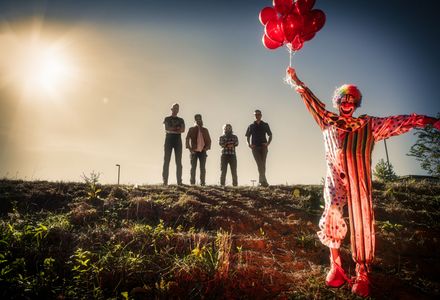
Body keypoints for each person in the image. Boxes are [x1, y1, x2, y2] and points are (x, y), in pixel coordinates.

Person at [286, 67, 440, 297]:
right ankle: (336, 267)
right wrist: (295, 80)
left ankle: (362, 273)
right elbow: (311, 100)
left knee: (362, 222)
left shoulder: (368, 125)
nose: (348, 104)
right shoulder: (327, 121)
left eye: (352, 101)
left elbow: (397, 122)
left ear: (356, 104)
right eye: (344, 99)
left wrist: (427, 120)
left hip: (358, 180)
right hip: (335, 179)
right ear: (338, 101)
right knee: (332, 214)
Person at [245, 109, 272, 187]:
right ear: (254, 116)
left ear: (261, 115)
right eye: (256, 115)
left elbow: (270, 135)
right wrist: (249, 145)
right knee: (259, 163)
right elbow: (247, 137)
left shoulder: (265, 125)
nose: (257, 116)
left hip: (264, 147)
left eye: (259, 114)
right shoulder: (251, 126)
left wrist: (268, 143)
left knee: (263, 164)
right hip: (255, 147)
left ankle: (262, 181)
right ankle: (263, 181)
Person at [162, 103, 185, 186]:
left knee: (178, 161)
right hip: (169, 139)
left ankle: (179, 181)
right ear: (171, 109)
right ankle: (165, 181)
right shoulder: (167, 118)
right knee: (166, 160)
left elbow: (182, 130)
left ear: (178, 110)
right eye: (174, 108)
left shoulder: (181, 120)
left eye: (177, 108)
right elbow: (167, 128)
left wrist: (174, 129)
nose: (176, 109)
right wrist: (176, 128)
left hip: (178, 140)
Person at [186, 114, 211, 185]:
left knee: (202, 168)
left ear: (201, 120)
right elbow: (187, 138)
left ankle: (202, 183)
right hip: (194, 151)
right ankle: (192, 183)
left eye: (199, 119)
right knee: (193, 167)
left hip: (203, 151)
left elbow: (209, 140)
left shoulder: (205, 130)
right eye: (196, 119)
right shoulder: (191, 129)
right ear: (195, 120)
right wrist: (190, 149)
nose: (198, 120)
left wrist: (206, 149)